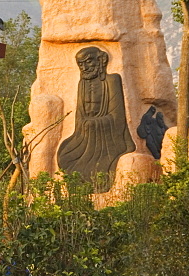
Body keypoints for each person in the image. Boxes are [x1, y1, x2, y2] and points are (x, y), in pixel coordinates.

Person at [57, 46, 135, 186]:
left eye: (88, 62)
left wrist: (94, 123)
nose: (84, 67)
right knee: (65, 156)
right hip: (84, 135)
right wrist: (84, 124)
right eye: (80, 64)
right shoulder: (82, 84)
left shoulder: (112, 80)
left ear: (101, 60)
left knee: (100, 165)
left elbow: (117, 117)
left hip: (108, 136)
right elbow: (80, 115)